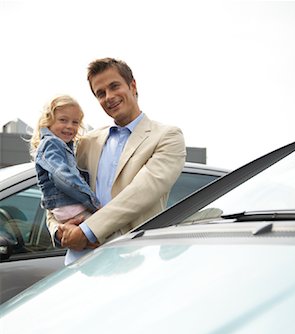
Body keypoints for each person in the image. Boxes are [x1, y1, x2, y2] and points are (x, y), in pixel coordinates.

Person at [47, 58, 186, 264]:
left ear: (132, 85)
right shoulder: (88, 141)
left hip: (136, 260)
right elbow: (55, 192)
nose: (109, 97)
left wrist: (87, 232)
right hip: (82, 262)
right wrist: (60, 232)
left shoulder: (167, 137)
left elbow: (139, 194)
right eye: (100, 93)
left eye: (114, 86)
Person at [31, 95, 100, 226]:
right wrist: (93, 203)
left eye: (75, 122)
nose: (70, 126)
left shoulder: (62, 145)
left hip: (66, 209)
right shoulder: (52, 143)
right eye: (63, 120)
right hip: (71, 207)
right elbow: (63, 177)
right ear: (48, 121)